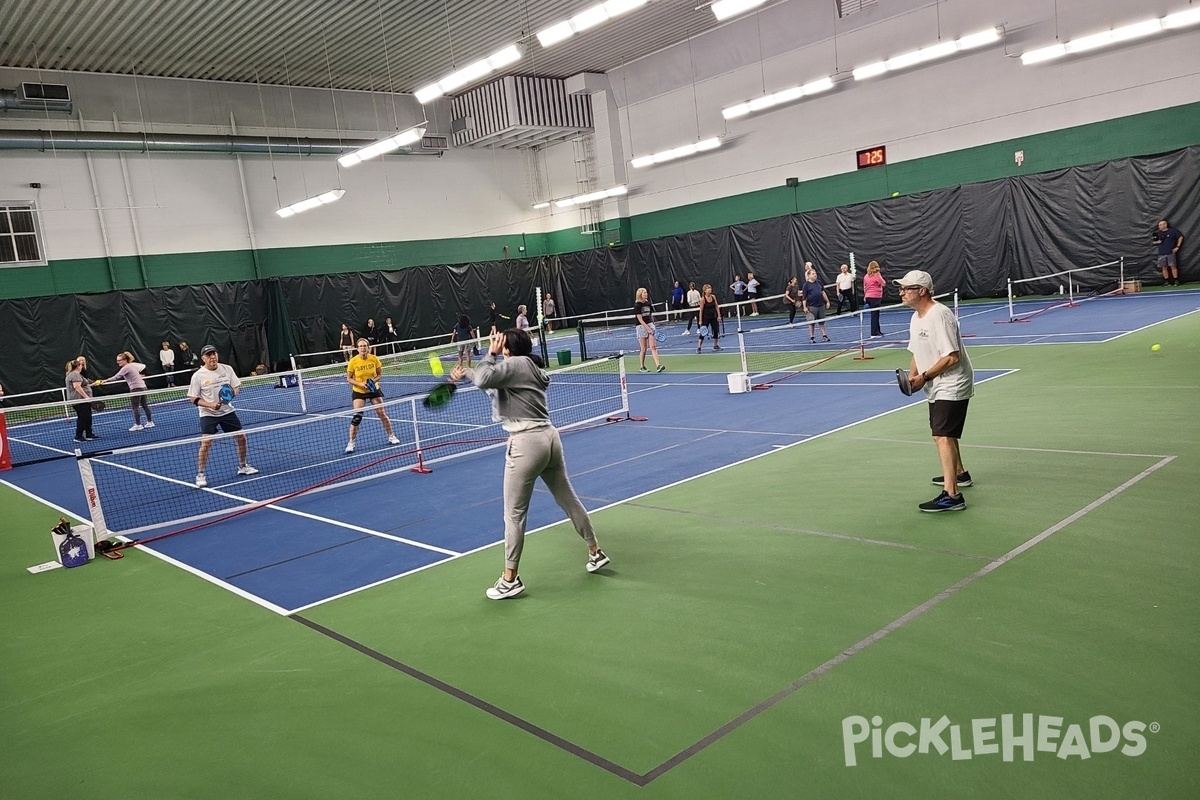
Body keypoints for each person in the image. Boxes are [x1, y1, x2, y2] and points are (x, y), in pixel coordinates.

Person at [449, 328, 609, 600]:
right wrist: (466, 372)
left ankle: (510, 579)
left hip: (526, 444)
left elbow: (486, 377)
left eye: (501, 344)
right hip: (549, 440)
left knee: (513, 515)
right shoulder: (526, 367)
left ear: (507, 349)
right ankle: (595, 551)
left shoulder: (515, 364)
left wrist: (490, 353)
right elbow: (488, 383)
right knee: (568, 499)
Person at [895, 270, 974, 513]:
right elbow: (915, 353)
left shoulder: (940, 315)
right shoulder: (916, 318)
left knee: (942, 435)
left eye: (907, 288)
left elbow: (952, 357)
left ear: (922, 290)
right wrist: (912, 378)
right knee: (942, 434)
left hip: (952, 382)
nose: (902, 292)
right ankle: (959, 474)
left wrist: (925, 377)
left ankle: (952, 495)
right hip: (935, 383)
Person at [188, 344, 259, 488]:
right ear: (203, 359)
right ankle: (200, 474)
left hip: (227, 411)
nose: (212, 357)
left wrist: (229, 395)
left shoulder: (227, 369)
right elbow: (193, 398)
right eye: (209, 355)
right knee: (206, 443)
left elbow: (235, 387)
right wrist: (210, 405)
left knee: (241, 437)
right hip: (208, 413)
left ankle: (243, 466)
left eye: (214, 354)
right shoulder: (198, 376)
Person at [344, 338, 402, 454]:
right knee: (357, 416)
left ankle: (391, 436)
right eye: (360, 346)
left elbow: (380, 374)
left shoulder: (374, 359)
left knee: (381, 413)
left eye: (365, 346)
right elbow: (349, 378)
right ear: (357, 348)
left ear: (368, 347)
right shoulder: (353, 362)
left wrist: (372, 382)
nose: (363, 348)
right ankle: (351, 442)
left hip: (373, 389)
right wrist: (361, 384)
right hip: (359, 391)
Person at [96, 351, 154, 431]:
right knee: (144, 405)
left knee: (135, 407)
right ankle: (150, 422)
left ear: (125, 360)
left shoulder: (126, 368)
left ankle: (138, 425)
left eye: (119, 360)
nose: (117, 362)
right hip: (143, 387)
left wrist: (105, 381)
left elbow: (116, 377)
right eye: (117, 360)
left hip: (136, 388)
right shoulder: (132, 366)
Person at [65, 357, 97, 442]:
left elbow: (85, 385)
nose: (82, 367)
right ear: (78, 366)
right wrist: (86, 397)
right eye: (81, 365)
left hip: (83, 400)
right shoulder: (75, 375)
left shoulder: (77, 375)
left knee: (87, 417)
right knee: (82, 417)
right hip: (79, 400)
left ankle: (89, 434)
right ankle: (78, 436)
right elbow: (77, 387)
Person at [633, 287, 666, 373]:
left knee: (653, 347)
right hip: (641, 327)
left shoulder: (648, 304)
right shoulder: (637, 306)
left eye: (646, 292)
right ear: (640, 294)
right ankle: (642, 366)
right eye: (644, 292)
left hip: (650, 325)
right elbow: (640, 319)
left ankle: (658, 365)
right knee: (643, 349)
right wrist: (647, 329)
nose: (646, 294)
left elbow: (650, 316)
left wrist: (652, 326)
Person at [801, 267, 831, 343]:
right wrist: (804, 307)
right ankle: (812, 337)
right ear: (809, 275)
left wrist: (827, 301)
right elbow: (804, 297)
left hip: (821, 305)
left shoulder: (819, 282)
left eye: (815, 273)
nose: (815, 275)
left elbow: (823, 292)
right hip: (812, 306)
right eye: (813, 274)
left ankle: (824, 336)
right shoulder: (806, 285)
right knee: (811, 323)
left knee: (822, 322)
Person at [1154, 220, 1184, 286]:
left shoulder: (1172, 231)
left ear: (1165, 225)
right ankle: (1166, 281)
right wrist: (1158, 241)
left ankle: (1176, 280)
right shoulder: (1158, 233)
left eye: (1160, 225)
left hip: (1170, 252)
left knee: (1173, 266)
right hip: (1161, 253)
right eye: (1159, 225)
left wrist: (1177, 246)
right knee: (1163, 267)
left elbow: (1180, 237)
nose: (1159, 226)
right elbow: (1154, 242)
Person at [697, 283, 722, 353]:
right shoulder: (703, 299)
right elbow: (701, 310)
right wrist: (700, 320)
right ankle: (699, 347)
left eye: (710, 288)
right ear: (705, 290)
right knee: (703, 333)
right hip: (706, 318)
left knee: (716, 331)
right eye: (708, 288)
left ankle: (715, 345)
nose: (710, 289)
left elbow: (716, 306)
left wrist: (719, 315)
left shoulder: (713, 297)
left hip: (713, 317)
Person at [863, 261, 885, 337]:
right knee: (874, 315)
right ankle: (874, 333)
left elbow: (865, 287)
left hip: (868, 296)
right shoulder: (877, 275)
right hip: (875, 297)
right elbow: (883, 283)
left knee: (876, 314)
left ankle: (878, 331)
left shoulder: (866, 276)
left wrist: (865, 296)